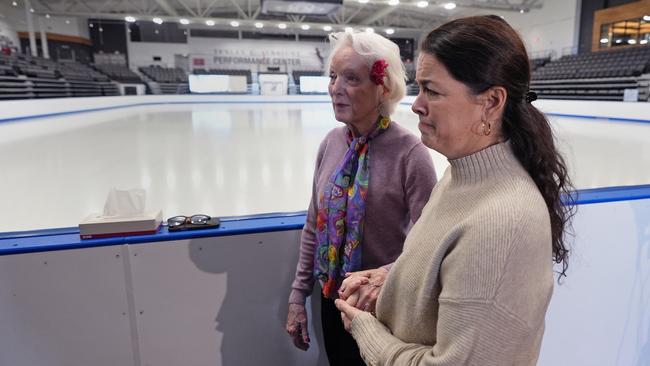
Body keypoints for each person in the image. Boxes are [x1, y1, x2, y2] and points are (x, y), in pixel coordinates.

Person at [335, 15, 575, 365]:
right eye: (419, 88)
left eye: (432, 90)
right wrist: (391, 278)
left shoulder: (502, 223)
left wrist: (366, 331)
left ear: (491, 102)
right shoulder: (457, 176)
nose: (416, 104)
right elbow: (443, 271)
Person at [285, 31, 437, 365]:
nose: (336, 88)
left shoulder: (411, 154)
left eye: (351, 78)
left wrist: (382, 275)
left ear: (383, 87)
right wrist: (298, 297)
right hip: (332, 300)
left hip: (381, 305)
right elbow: (314, 226)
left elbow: (431, 244)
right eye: (333, 76)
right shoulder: (330, 144)